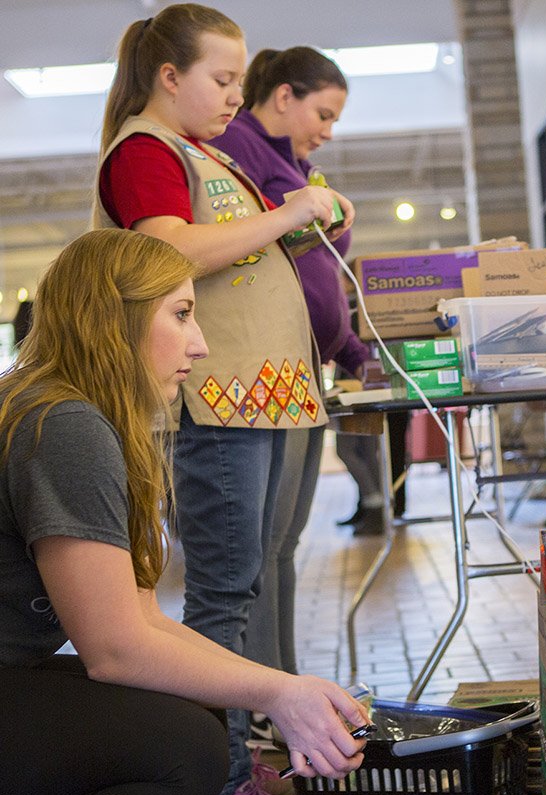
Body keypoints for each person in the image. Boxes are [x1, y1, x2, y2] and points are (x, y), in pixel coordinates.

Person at [0, 228, 367, 795]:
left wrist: (283, 687)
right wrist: (276, 696)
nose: (200, 344)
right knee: (185, 749)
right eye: (182, 314)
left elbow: (143, 620)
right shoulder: (64, 425)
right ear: (114, 320)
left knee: (198, 714)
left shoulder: (67, 409)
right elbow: (114, 649)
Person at [92, 5, 353, 795]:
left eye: (241, 78)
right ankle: (224, 774)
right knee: (222, 595)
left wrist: (300, 229)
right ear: (169, 77)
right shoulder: (146, 149)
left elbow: (232, 257)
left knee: (235, 589)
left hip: (251, 400)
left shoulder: (201, 154)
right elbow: (166, 245)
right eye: (224, 77)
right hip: (213, 404)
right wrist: (291, 210)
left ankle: (236, 761)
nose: (239, 93)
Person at [208, 46, 369, 695]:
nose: (327, 129)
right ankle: (265, 702)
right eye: (322, 113)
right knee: (260, 551)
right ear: (284, 95)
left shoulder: (290, 164)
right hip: (259, 371)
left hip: (300, 369)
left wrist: (353, 350)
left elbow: (318, 274)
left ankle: (282, 688)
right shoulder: (238, 151)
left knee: (281, 548)